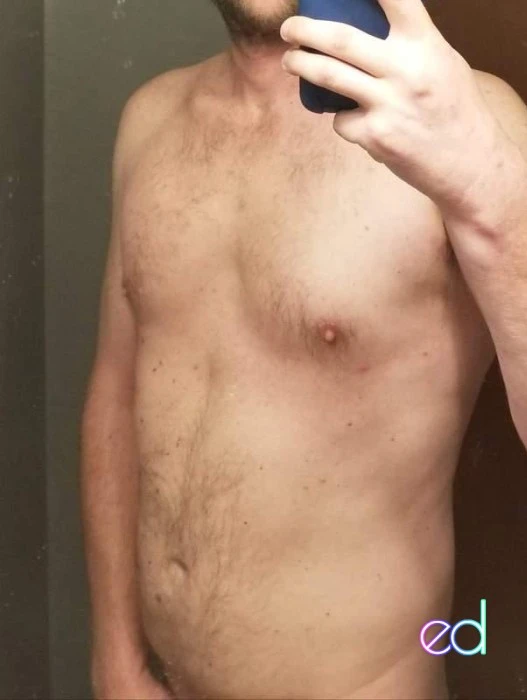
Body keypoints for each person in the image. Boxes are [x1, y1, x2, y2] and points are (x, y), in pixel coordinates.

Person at [80, 1, 527, 698]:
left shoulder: (467, 121)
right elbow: (116, 389)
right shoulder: (150, 118)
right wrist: (114, 653)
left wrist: (490, 187)